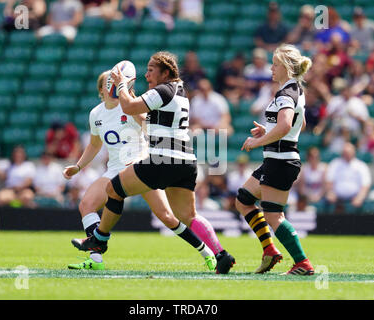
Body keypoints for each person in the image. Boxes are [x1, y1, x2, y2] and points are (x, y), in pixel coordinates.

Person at [72, 52, 236, 274]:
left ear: (165, 73)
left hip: (161, 160)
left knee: (114, 189)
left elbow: (129, 107)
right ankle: (220, 254)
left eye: (151, 70)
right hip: (185, 161)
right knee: (188, 216)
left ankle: (99, 240)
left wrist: (122, 85)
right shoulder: (180, 92)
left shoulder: (163, 90)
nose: (146, 74)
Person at [235, 44, 314, 275]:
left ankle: (302, 263)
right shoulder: (296, 91)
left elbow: (287, 125)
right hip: (278, 159)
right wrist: (268, 130)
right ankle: (269, 250)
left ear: (287, 68)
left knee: (273, 215)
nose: (271, 68)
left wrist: (258, 141)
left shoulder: (286, 93)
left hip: (280, 161)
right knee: (243, 200)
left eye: (275, 64)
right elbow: (301, 124)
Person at [325, 142, 371, 214]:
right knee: (327, 200)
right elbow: (329, 181)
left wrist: (360, 197)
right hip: (337, 199)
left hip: (355, 198)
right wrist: (330, 192)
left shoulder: (361, 166)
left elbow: (365, 185)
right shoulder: (334, 164)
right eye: (345, 152)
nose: (347, 154)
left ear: (354, 152)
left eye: (349, 152)